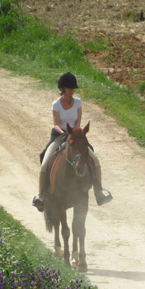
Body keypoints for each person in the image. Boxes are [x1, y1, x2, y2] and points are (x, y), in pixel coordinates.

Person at [32, 72, 113, 211]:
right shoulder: (56, 104)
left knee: (96, 161)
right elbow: (56, 123)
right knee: (45, 162)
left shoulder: (78, 102)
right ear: (63, 89)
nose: (72, 91)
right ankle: (41, 195)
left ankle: (99, 192)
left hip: (75, 136)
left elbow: (78, 121)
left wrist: (74, 134)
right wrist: (64, 133)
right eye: (69, 88)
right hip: (59, 135)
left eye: (73, 88)